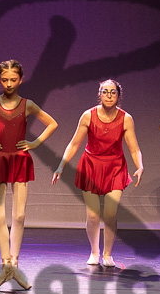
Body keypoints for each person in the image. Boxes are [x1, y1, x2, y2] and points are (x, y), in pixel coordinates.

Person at [0, 60, 59, 290]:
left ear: (20, 80)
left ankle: (14, 264)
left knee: (19, 215)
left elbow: (52, 123)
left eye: (13, 80)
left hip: (19, 160)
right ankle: (6, 265)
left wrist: (34, 143)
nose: (8, 84)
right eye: (4, 80)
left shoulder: (27, 105)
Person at [52, 79, 144, 269]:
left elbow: (134, 148)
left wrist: (139, 166)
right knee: (93, 216)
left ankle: (108, 254)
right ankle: (94, 251)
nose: (109, 96)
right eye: (105, 92)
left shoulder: (126, 118)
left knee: (110, 214)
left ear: (118, 95)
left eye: (113, 92)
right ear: (99, 94)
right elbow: (74, 143)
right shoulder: (88, 116)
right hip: (91, 166)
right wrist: (61, 166)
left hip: (115, 167)